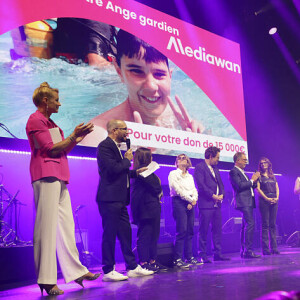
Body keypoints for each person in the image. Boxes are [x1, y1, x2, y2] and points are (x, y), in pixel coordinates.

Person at [25, 82, 99, 296]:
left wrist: (75, 138)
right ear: (45, 101)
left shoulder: (50, 122)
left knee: (66, 226)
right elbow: (49, 148)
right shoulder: (35, 119)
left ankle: (76, 271)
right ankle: (46, 280)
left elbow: (62, 148)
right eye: (56, 100)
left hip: (59, 175)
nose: (60, 103)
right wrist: (72, 136)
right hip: (45, 174)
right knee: (46, 230)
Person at [81, 29, 204, 146]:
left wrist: (197, 142)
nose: (151, 86)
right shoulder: (98, 136)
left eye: (159, 74)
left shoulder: (177, 119)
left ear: (170, 76)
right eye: (137, 71)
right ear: (119, 72)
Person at [96, 119, 154, 281]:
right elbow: (112, 170)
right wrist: (127, 160)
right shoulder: (105, 146)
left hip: (119, 199)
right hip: (109, 198)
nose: (127, 132)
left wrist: (135, 173)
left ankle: (132, 267)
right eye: (124, 129)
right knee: (110, 234)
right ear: (114, 130)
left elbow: (120, 173)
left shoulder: (115, 147)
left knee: (125, 234)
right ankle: (108, 270)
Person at [131, 147, 166, 272]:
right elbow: (156, 186)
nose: (152, 158)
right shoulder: (140, 172)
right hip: (144, 209)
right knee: (145, 235)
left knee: (154, 235)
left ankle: (153, 260)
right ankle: (144, 261)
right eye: (150, 156)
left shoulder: (148, 173)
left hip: (153, 207)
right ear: (145, 158)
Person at [194, 146, 230, 263]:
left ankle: (217, 254)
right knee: (203, 230)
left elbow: (221, 184)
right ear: (210, 156)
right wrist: (212, 195)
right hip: (206, 204)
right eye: (217, 157)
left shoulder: (216, 169)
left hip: (217, 205)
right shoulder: (200, 167)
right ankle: (202, 255)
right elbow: (201, 185)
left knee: (217, 230)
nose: (218, 160)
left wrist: (222, 195)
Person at [168, 154, 200, 268]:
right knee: (181, 230)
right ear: (176, 162)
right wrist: (190, 200)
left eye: (184, 158)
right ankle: (178, 259)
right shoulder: (173, 174)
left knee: (190, 231)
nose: (181, 159)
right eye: (179, 158)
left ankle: (189, 257)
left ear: (188, 162)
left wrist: (193, 200)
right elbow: (177, 189)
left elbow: (194, 190)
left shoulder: (190, 176)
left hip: (191, 202)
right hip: (179, 202)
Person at [229, 152, 261, 259]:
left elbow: (251, 185)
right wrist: (252, 180)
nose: (246, 162)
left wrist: (255, 180)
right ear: (237, 160)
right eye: (244, 160)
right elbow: (240, 186)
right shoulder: (234, 172)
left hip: (249, 201)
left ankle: (244, 251)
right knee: (250, 223)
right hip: (243, 201)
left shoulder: (243, 173)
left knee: (245, 225)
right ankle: (248, 250)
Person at [256, 157, 280, 255]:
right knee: (265, 225)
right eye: (261, 163)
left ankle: (274, 248)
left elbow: (277, 187)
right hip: (264, 201)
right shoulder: (259, 176)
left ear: (268, 163)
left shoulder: (272, 176)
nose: (263, 164)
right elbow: (258, 189)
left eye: (265, 162)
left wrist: (277, 198)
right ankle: (266, 249)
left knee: (273, 225)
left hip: (274, 200)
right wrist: (267, 198)